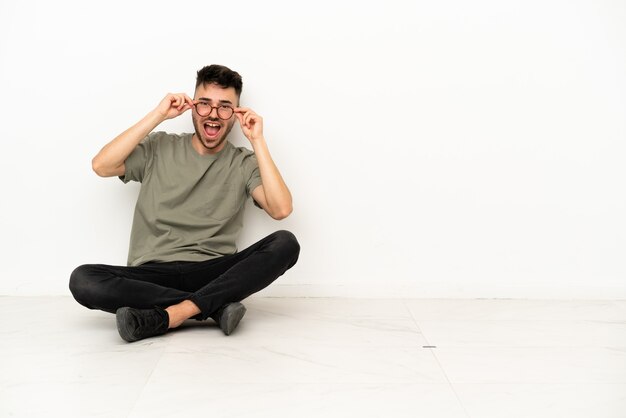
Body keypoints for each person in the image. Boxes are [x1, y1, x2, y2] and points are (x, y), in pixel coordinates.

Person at [69, 64, 300, 343]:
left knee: (286, 243)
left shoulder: (243, 162)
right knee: (82, 279)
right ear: (192, 106)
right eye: (204, 104)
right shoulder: (159, 147)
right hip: (150, 274)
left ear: (236, 114)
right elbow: (101, 166)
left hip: (213, 271)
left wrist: (258, 140)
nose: (213, 114)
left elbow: (281, 209)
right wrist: (158, 115)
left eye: (225, 107)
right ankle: (213, 307)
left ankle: (172, 315)